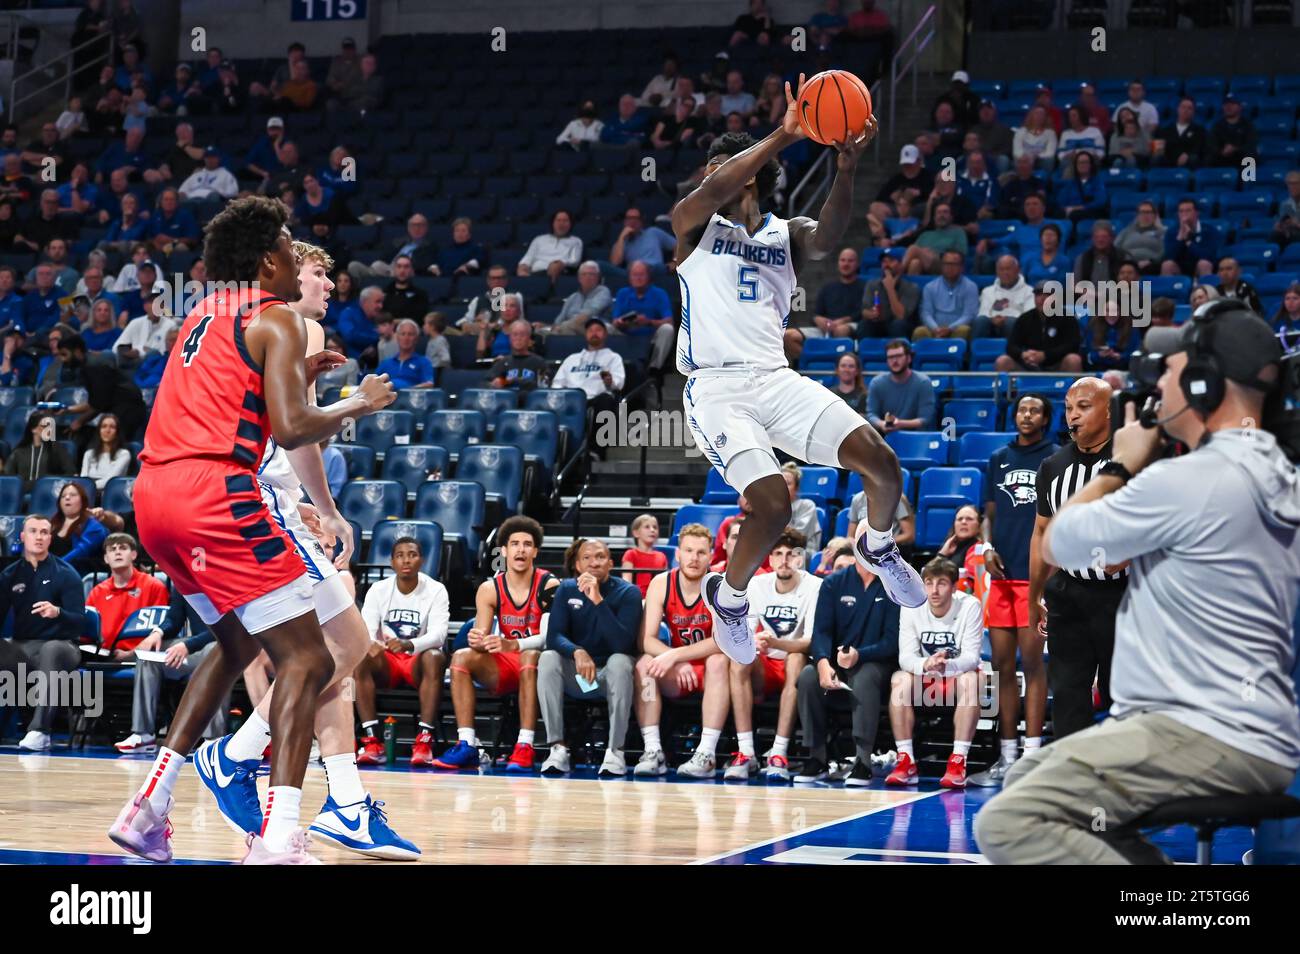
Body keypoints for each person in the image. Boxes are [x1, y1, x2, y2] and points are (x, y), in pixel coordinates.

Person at [106, 198, 397, 866]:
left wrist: (292, 378)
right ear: (268, 258)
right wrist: (361, 400)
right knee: (310, 659)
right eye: (292, 248)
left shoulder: (201, 315)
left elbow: (230, 402)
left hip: (153, 497)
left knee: (235, 642)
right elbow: (293, 430)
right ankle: (281, 835)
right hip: (217, 497)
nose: (300, 258)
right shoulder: (279, 318)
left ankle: (148, 807)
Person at [976, 302, 1300, 864]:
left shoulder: (1197, 477)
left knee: (1009, 820)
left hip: (1205, 731)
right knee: (1032, 773)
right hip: (1248, 728)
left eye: (1168, 372)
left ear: (1203, 383)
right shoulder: (1274, 468)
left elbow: (1061, 540)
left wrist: (1120, 465)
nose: (1155, 390)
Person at [672, 108, 922, 671]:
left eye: (725, 171)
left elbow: (828, 239)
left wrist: (848, 168)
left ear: (753, 176)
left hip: (775, 379)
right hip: (715, 388)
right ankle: (731, 599)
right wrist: (786, 132)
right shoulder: (693, 227)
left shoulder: (786, 233)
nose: (714, 182)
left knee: (883, 464)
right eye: (711, 174)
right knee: (772, 503)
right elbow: (709, 191)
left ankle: (878, 545)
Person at [211, 239, 418, 860]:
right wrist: (324, 506)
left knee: (339, 658)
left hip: (265, 495)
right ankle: (235, 755)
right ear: (281, 271)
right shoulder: (293, 322)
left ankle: (348, 803)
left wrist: (319, 507)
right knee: (342, 647)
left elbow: (289, 433)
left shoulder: (265, 326)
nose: (330, 282)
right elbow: (293, 430)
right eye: (318, 271)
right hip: (255, 502)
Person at [1029, 378, 1127, 745]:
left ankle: (1124, 776)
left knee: (1123, 692)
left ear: (1108, 410)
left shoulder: (1131, 457)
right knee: (1068, 692)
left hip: (1123, 595)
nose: (1074, 415)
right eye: (1069, 408)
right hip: (1068, 591)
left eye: (1084, 406)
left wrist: (1132, 550)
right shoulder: (1053, 466)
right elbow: (1040, 532)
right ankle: (1075, 778)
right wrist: (1034, 593)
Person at [967, 395, 1057, 787]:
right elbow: (989, 514)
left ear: (1046, 418)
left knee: (1034, 666)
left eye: (1035, 410)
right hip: (1001, 579)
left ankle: (1033, 758)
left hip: (1037, 579)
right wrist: (985, 548)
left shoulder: (1056, 459)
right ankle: (1006, 758)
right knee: (1003, 668)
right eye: (1022, 409)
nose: (1026, 415)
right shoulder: (998, 458)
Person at [429, 516, 559, 773]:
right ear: (504, 551)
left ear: (535, 551)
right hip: (503, 667)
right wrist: (478, 640)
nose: (521, 549)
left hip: (539, 666)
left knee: (531, 655)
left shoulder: (549, 584)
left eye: (527, 544)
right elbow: (481, 634)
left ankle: (525, 745)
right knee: (462, 656)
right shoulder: (490, 589)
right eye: (514, 544)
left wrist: (512, 645)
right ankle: (467, 743)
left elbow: (547, 638)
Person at [633, 525, 732, 778]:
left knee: (719, 661)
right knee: (645, 663)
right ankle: (653, 750)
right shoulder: (661, 583)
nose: (694, 558)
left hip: (713, 672)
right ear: (677, 554)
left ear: (711, 556)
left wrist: (676, 655)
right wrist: (672, 659)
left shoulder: (720, 585)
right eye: (688, 550)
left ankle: (706, 754)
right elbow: (647, 640)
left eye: (701, 552)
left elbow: (721, 642)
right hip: (680, 674)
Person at [794, 547, 900, 783]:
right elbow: (821, 631)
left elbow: (892, 641)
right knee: (809, 677)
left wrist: (859, 655)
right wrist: (822, 661)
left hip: (877, 663)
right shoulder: (834, 583)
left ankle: (863, 760)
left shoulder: (892, 584)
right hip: (838, 661)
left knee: (864, 677)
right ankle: (817, 757)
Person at [537, 539, 641, 776]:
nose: (594, 562)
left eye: (601, 557)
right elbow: (554, 636)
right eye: (587, 557)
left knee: (620, 661)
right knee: (548, 658)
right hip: (580, 676)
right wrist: (577, 651)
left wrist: (597, 600)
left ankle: (615, 752)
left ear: (611, 563)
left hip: (611, 678)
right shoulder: (566, 589)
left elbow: (622, 644)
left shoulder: (629, 593)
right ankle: (557, 748)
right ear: (577, 564)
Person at [350, 536, 449, 768]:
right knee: (360, 656)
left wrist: (408, 645)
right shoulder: (378, 589)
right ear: (392, 561)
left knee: (435, 656)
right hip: (388, 663)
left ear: (422, 560)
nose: (406, 560)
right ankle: (372, 740)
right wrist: (372, 644)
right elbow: (366, 630)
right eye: (400, 555)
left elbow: (439, 635)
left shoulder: (436, 590)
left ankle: (424, 741)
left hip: (418, 662)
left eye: (412, 555)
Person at [887, 557, 984, 788]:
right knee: (899, 679)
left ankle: (958, 760)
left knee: (973, 679)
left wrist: (946, 666)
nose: (934, 590)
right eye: (929, 583)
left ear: (953, 586)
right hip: (926, 679)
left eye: (941, 583)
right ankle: (905, 760)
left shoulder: (970, 605)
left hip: (957, 677)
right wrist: (927, 665)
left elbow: (971, 657)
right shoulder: (911, 605)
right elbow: (905, 657)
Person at [731, 528, 819, 781]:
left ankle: (778, 753)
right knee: (739, 660)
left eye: (791, 554)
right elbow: (743, 634)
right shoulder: (756, 585)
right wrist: (754, 641)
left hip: (795, 665)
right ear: (769, 559)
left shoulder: (815, 587)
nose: (784, 560)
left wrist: (777, 642)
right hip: (765, 666)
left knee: (795, 659)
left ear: (801, 559)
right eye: (778, 553)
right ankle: (746, 751)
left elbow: (809, 642)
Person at [1, 514, 90, 751]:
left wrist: (58, 612)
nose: (38, 537)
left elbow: (81, 622)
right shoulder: (10, 575)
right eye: (33, 531)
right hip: (22, 647)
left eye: (44, 532)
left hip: (63, 646)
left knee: (52, 649)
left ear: (50, 538)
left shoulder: (66, 573)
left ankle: (40, 731)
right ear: (22, 536)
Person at [114, 582, 226, 754]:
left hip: (228, 646)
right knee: (149, 656)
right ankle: (143, 735)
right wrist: (157, 633)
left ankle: (213, 739)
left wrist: (188, 644)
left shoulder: (223, 577)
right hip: (195, 647)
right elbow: (174, 619)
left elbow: (227, 626)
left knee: (213, 651)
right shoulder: (183, 578)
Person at [85, 532, 169, 655]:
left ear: (134, 555)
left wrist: (129, 654)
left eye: (123, 548)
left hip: (143, 658)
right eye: (112, 549)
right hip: (103, 656)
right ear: (106, 558)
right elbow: (87, 635)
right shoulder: (97, 592)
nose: (117, 552)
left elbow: (160, 631)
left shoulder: (154, 586)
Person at [997, 283, 1084, 373]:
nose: (1042, 299)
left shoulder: (1067, 317)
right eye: (1038, 295)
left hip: (1057, 365)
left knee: (1074, 360)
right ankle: (1004, 387)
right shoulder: (1025, 318)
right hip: (1030, 365)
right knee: (1003, 361)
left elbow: (1073, 345)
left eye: (1047, 295)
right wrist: (1023, 354)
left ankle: (1076, 387)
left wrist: (1045, 355)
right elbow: (1011, 346)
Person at [867, 338, 935, 432]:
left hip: (916, 438)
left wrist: (900, 423)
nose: (894, 360)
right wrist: (882, 424)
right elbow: (871, 414)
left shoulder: (923, 382)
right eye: (890, 357)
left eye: (899, 356)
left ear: (909, 358)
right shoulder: (877, 383)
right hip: (886, 437)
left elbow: (925, 418)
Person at [45, 480, 108, 572]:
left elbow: (80, 553)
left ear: (83, 500)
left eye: (73, 495)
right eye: (63, 496)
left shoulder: (93, 526)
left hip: (78, 575)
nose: (67, 498)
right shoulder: (52, 524)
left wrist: (53, 568)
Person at [4, 411, 74, 491]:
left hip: (47, 493)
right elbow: (8, 478)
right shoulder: (18, 452)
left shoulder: (57, 450)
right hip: (20, 494)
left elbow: (70, 472)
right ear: (34, 429)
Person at [914, 249, 977, 339]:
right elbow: (926, 313)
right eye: (946, 264)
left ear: (962, 267)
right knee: (920, 331)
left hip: (957, 329)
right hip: (935, 329)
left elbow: (969, 315)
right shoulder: (930, 287)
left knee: (964, 330)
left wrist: (950, 328)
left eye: (954, 264)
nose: (949, 267)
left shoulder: (970, 287)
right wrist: (936, 329)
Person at [859, 249, 917, 340]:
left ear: (901, 265)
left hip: (901, 326)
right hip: (879, 324)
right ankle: (866, 353)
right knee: (864, 325)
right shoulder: (872, 284)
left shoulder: (911, 287)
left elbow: (900, 315)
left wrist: (890, 289)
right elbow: (864, 311)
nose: (886, 265)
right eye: (884, 261)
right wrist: (871, 314)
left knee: (898, 324)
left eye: (891, 261)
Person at [975, 254, 1033, 339]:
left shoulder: (1029, 291)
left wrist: (1006, 319)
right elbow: (983, 313)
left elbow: (1029, 318)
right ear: (997, 272)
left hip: (1016, 328)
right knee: (981, 321)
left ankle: (1014, 351)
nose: (1005, 273)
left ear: (1018, 270)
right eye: (1001, 269)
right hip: (991, 326)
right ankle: (974, 351)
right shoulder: (987, 291)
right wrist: (993, 320)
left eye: (1008, 269)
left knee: (1011, 322)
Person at [810, 247, 864, 339]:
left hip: (853, 325)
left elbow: (862, 313)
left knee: (839, 331)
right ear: (838, 263)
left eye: (850, 261)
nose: (846, 264)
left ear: (857, 264)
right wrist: (817, 319)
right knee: (790, 335)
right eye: (843, 260)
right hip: (827, 328)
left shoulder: (864, 287)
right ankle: (817, 354)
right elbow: (815, 313)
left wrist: (843, 320)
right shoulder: (827, 288)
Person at [548, 260, 612, 336]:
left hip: (595, 327)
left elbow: (587, 314)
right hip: (569, 328)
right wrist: (548, 326)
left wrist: (562, 326)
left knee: (566, 328)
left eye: (591, 274)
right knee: (538, 331)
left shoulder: (603, 291)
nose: (588, 277)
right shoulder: (573, 297)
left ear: (598, 277)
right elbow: (559, 319)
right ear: (579, 278)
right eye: (584, 274)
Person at [1161, 198, 1218, 278]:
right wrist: (1180, 236)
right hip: (1179, 268)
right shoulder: (1171, 232)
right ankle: (1165, 290)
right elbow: (1169, 256)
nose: (1184, 214)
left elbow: (1208, 256)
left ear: (1196, 213)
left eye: (1188, 210)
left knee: (1204, 264)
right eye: (1181, 211)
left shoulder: (1209, 231)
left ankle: (1206, 290)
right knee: (1167, 265)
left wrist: (1188, 241)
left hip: (1199, 267)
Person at [484, 319, 547, 391]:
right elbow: (484, 384)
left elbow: (545, 387)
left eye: (522, 334)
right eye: (515, 334)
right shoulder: (503, 362)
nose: (518, 338)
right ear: (510, 338)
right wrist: (493, 384)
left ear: (529, 339)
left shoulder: (539, 362)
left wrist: (508, 381)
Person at [374, 318, 434, 389]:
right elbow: (373, 384)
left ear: (416, 339)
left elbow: (429, 384)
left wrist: (406, 391)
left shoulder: (424, 362)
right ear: (397, 337)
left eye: (410, 334)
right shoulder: (386, 363)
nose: (406, 338)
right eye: (403, 334)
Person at [620, 513, 667, 597]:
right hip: (636, 598)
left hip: (656, 598)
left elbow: (665, 583)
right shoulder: (631, 554)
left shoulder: (662, 556)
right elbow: (626, 582)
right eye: (647, 527)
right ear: (636, 533)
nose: (652, 530)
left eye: (655, 527)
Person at [80, 411, 131, 489]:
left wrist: (88, 487)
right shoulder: (89, 453)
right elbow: (83, 478)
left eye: (112, 427)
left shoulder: (124, 454)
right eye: (104, 426)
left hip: (109, 492)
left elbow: (110, 481)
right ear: (99, 430)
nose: (107, 430)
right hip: (88, 492)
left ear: (117, 432)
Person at [780, 462, 822, 551]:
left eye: (788, 483)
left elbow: (797, 537)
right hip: (778, 550)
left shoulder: (807, 505)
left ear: (796, 487)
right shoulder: (772, 507)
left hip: (801, 551)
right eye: (780, 483)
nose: (782, 486)